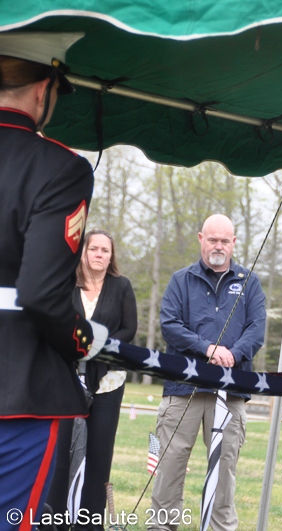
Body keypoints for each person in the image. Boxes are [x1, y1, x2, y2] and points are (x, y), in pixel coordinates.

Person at [0, 32, 107, 529]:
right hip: (17, 387)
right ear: (44, 89)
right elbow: (41, 294)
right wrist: (81, 338)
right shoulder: (59, 168)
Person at [148, 214, 266, 531]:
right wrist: (208, 348)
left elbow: (256, 330)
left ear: (234, 243)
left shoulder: (250, 282)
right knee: (170, 462)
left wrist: (232, 354)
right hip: (183, 388)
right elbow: (169, 326)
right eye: (212, 239)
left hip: (230, 389)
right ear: (201, 238)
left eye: (224, 241)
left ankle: (220, 527)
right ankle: (161, 526)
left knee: (225, 467)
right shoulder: (180, 280)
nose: (218, 246)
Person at [46, 228, 138, 530]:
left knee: (99, 455)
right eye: (93, 249)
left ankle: (89, 523)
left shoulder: (121, 286)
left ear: (111, 257)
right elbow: (54, 322)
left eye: (105, 250)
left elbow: (129, 329)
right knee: (61, 454)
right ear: (83, 252)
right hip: (65, 380)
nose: (99, 254)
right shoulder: (65, 284)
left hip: (108, 382)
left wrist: (96, 346)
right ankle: (55, 520)